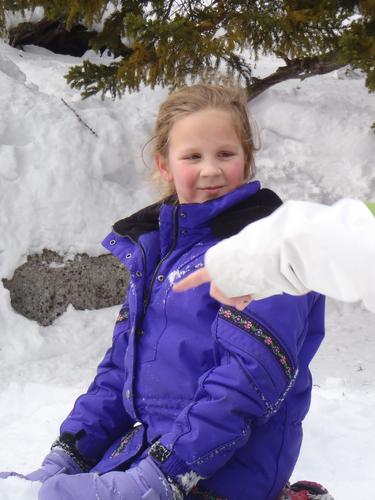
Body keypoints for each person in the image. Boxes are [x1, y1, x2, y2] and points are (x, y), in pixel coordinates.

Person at [0, 84, 330, 500]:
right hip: (151, 456)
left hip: (224, 475)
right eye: (193, 156)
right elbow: (120, 373)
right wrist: (68, 457)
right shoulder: (159, 254)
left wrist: (160, 476)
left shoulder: (270, 250)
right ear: (165, 164)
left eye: (225, 154)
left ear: (246, 159)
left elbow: (243, 384)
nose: (210, 169)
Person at [173, 199, 375, 313]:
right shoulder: (148, 235)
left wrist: (240, 264)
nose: (210, 170)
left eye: (226, 154)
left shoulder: (252, 216)